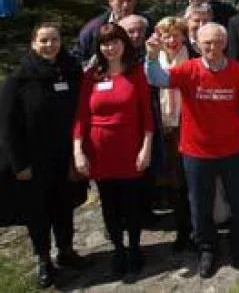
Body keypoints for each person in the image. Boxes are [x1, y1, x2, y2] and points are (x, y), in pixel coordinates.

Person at [144, 24, 239, 278]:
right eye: (207, 43)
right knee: (199, 205)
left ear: (224, 43)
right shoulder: (189, 69)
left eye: (217, 42)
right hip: (197, 152)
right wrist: (151, 56)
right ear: (197, 45)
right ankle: (207, 249)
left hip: (232, 150)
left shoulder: (237, 70)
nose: (212, 48)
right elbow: (158, 79)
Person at [0, 24, 85, 289]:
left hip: (64, 156)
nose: (50, 45)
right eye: (44, 40)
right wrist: (19, 164)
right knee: (38, 211)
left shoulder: (71, 72)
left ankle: (66, 251)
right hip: (33, 162)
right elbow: (6, 126)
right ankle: (43, 259)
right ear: (33, 43)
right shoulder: (18, 80)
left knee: (65, 204)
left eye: (55, 40)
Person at [73, 23, 154, 282]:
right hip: (100, 150)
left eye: (115, 41)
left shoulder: (136, 72)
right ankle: (118, 250)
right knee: (109, 204)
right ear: (99, 47)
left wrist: (146, 147)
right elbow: (81, 117)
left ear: (124, 44)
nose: (110, 47)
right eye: (104, 43)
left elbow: (147, 116)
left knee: (131, 203)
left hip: (130, 147)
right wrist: (78, 150)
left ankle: (134, 248)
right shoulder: (91, 76)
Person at [151, 17, 195, 251]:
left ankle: (197, 227)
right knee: (174, 181)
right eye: (166, 35)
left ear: (183, 36)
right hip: (165, 127)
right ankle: (181, 230)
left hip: (188, 125)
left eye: (176, 35)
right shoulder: (151, 62)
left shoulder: (194, 58)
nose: (171, 40)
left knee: (192, 179)